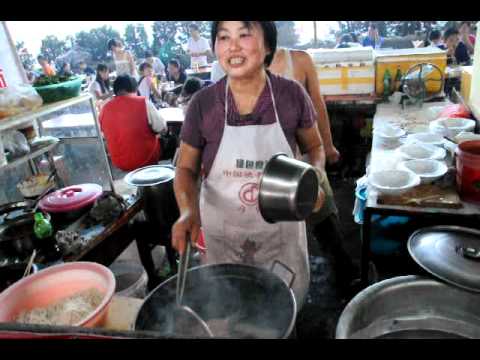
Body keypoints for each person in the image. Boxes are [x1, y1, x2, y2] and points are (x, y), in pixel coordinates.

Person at [172, 21, 329, 311]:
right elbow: (185, 170)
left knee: (282, 313)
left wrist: (315, 177)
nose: (232, 46)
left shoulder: (290, 95)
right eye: (223, 37)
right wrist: (187, 211)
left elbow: (315, 147)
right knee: (232, 314)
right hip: (225, 236)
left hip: (280, 235)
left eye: (244, 34)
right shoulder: (202, 104)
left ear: (268, 45)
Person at [269, 47, 356, 296]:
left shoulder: (299, 60)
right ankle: (278, 285)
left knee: (322, 212)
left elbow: (317, 104)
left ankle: (344, 274)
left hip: (305, 154)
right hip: (266, 162)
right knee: (275, 227)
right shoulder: (238, 64)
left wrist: (327, 146)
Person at [99, 75, 167, 172]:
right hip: (145, 158)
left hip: (119, 161)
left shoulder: (104, 109)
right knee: (172, 142)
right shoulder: (143, 102)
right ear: (134, 88)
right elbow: (162, 128)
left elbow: (104, 135)